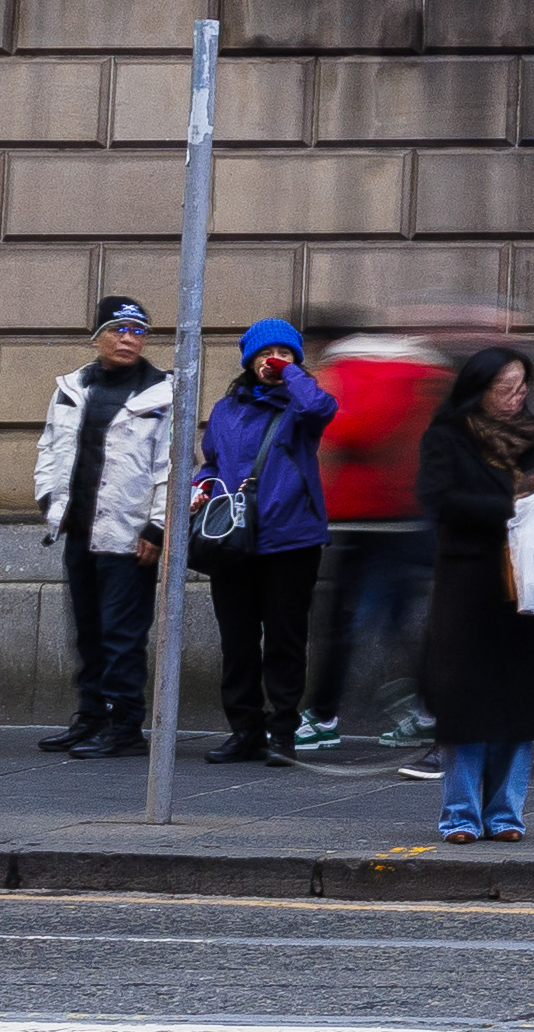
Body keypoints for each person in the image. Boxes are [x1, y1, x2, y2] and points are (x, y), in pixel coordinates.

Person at [416, 343, 534, 841]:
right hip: (468, 581)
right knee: (468, 701)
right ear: (479, 390)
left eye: (522, 387)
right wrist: (513, 500)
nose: (516, 397)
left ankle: (505, 813)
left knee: (518, 701)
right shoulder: (446, 435)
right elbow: (442, 499)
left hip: (525, 579)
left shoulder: (532, 433)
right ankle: (460, 813)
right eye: (505, 389)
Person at [303, 306, 468, 754]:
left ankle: (324, 716)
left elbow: (356, 428)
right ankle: (421, 709)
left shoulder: (353, 368)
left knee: (344, 621)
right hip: (405, 513)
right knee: (397, 621)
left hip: (372, 517)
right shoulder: (416, 365)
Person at [189, 319, 342, 765]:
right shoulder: (226, 409)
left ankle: (283, 733)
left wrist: (292, 372)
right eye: (264, 354)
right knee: (236, 642)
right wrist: (202, 487)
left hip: (290, 538)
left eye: (283, 352)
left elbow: (322, 408)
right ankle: (245, 731)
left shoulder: (300, 406)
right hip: (232, 539)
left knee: (284, 640)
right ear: (248, 361)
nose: (271, 360)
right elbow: (212, 462)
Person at [29, 297, 176, 757]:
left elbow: (171, 467)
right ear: (97, 337)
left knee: (123, 635)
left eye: (138, 331)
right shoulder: (71, 388)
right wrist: (49, 497)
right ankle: (91, 717)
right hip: (78, 530)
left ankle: (126, 726)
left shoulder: (164, 393)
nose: (129, 339)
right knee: (88, 632)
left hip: (129, 536)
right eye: (118, 329)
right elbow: (49, 447)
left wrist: (157, 528)